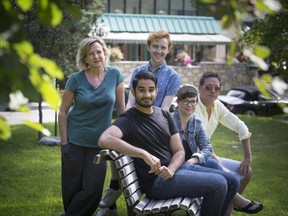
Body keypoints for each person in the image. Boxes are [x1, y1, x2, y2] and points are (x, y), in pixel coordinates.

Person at [99, 71, 239, 216]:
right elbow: (104, 139)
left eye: (151, 90)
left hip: (175, 172)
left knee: (232, 181)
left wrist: (171, 169)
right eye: (142, 90)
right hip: (157, 182)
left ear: (156, 91)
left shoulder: (164, 115)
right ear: (133, 92)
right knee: (219, 184)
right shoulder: (128, 119)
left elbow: (179, 151)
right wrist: (143, 153)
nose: (147, 95)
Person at [97, 30, 181, 216]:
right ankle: (115, 187)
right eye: (156, 46)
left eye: (163, 47)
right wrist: (126, 123)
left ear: (168, 50)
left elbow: (165, 109)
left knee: (128, 150)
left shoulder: (173, 76)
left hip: (158, 125)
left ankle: (115, 191)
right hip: (136, 118)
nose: (159, 51)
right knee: (117, 145)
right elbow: (130, 104)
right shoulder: (138, 71)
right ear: (149, 47)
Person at [58, 37, 125, 216]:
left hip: (100, 142)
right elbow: (63, 111)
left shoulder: (115, 75)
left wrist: (123, 133)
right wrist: (64, 143)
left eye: (99, 52)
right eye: (91, 54)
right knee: (72, 185)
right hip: (75, 140)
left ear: (105, 53)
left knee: (93, 187)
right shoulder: (76, 79)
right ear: (85, 58)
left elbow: (120, 108)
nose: (96, 56)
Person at [194, 71, 263, 215]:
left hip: (208, 156)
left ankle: (227, 212)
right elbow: (199, 143)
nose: (213, 91)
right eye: (208, 87)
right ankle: (238, 201)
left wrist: (247, 157)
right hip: (194, 159)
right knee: (227, 176)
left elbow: (240, 126)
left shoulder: (217, 105)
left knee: (246, 171)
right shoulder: (192, 107)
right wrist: (219, 165)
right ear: (199, 88)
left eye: (217, 88)